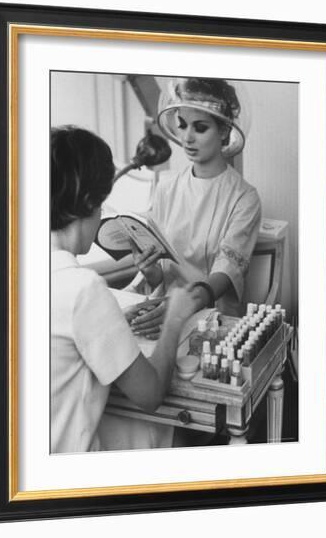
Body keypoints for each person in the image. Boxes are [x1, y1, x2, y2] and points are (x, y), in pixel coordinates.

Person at [50, 125, 199, 453]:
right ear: (90, 203)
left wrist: (113, 318)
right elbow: (150, 395)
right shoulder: (82, 288)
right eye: (102, 202)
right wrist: (174, 319)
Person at [127, 77, 262, 339]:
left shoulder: (244, 198)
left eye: (200, 128)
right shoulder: (167, 187)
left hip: (212, 322)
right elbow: (162, 271)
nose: (187, 137)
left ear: (223, 131)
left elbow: (225, 273)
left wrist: (180, 307)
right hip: (162, 314)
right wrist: (150, 270)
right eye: (182, 125)